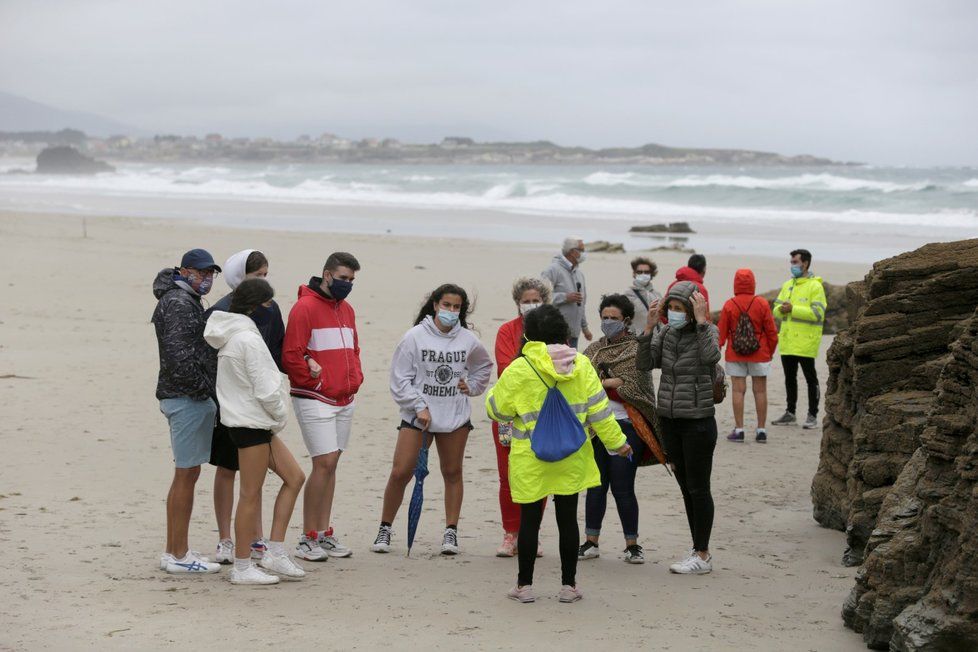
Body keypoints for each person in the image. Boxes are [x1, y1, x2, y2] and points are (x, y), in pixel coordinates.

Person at [486, 305, 631, 603]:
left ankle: (524, 587)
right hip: (571, 455)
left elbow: (497, 409)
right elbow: (600, 411)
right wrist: (617, 443)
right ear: (564, 333)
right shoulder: (581, 364)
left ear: (529, 336)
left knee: (529, 521)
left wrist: (496, 395)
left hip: (531, 458)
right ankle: (569, 586)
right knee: (567, 520)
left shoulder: (520, 368)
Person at [373, 284, 493, 555]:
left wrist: (471, 386)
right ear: (435, 305)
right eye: (446, 305)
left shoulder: (468, 339)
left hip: (454, 416)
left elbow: (484, 365)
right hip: (419, 418)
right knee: (401, 472)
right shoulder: (414, 337)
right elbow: (399, 379)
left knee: (452, 472)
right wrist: (418, 406)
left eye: (456, 307)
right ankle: (385, 527)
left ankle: (451, 532)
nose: (451, 311)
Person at [204, 279, 307, 585]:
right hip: (251, 424)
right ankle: (242, 565)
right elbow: (266, 388)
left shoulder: (234, 335)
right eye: (267, 304)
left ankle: (274, 551)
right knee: (250, 493)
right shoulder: (247, 339)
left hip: (254, 423)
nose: (270, 310)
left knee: (295, 477)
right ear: (254, 306)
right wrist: (279, 416)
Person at [206, 249, 286, 564]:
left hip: (260, 403)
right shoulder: (221, 311)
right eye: (257, 275)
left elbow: (277, 350)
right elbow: (210, 360)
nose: (262, 280)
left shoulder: (271, 307)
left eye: (266, 274)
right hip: (229, 402)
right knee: (227, 470)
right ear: (240, 277)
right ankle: (226, 538)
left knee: (255, 479)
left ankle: (256, 538)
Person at [283, 252, 364, 561]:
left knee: (332, 465)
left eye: (352, 280)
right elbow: (292, 355)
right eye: (343, 278)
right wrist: (316, 383)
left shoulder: (348, 310)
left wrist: (355, 377)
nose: (347, 284)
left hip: (344, 397)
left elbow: (353, 349)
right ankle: (307, 538)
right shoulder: (304, 308)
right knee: (324, 463)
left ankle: (323, 532)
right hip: (314, 397)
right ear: (327, 275)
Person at [637, 281, 720, 575]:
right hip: (670, 420)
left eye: (679, 308)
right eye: (670, 308)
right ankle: (697, 548)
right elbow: (645, 363)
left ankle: (703, 553)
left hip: (697, 421)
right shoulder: (666, 333)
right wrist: (648, 328)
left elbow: (711, 357)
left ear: (692, 308)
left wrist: (701, 322)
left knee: (699, 488)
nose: (673, 313)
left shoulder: (707, 331)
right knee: (686, 488)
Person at [152, 248, 222, 574]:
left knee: (188, 474)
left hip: (184, 396)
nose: (207, 278)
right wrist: (205, 391)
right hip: (185, 398)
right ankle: (178, 555)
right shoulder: (179, 304)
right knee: (185, 475)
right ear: (184, 270)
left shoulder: (185, 300)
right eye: (201, 271)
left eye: (211, 273)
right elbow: (181, 357)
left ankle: (175, 549)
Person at [580, 294, 656, 564]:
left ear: (625, 320)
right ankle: (591, 541)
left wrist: (609, 382)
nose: (608, 322)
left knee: (623, 487)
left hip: (626, 426)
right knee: (596, 486)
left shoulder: (636, 348)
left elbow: (639, 385)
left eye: (613, 318)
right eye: (604, 318)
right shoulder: (593, 350)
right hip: (594, 428)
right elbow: (581, 383)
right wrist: (612, 381)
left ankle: (632, 544)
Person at [492, 277, 551, 557]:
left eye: (535, 300)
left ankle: (532, 534)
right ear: (518, 303)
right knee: (508, 476)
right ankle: (510, 533)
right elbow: (506, 369)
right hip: (509, 414)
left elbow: (557, 368)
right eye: (526, 301)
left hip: (543, 415)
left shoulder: (553, 331)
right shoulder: (507, 331)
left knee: (538, 475)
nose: (530, 305)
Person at [716, 269, 779, 443]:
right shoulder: (762, 303)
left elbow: (721, 333)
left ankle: (739, 429)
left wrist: (717, 350)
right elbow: (772, 332)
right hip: (760, 353)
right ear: (753, 283)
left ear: (735, 283)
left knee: (738, 390)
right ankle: (761, 430)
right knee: (760, 390)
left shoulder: (729, 304)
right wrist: (769, 352)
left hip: (735, 353)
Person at [771, 249, 827, 430]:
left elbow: (818, 314)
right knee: (790, 378)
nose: (792, 265)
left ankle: (812, 415)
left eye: (795, 262)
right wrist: (783, 309)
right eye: (791, 262)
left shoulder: (815, 287)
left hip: (806, 342)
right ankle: (790, 412)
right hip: (787, 341)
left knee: (811, 379)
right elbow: (776, 310)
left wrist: (792, 309)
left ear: (805, 263)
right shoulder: (788, 285)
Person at [541, 237, 592, 348]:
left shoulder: (579, 274)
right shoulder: (552, 270)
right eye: (582, 250)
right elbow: (541, 298)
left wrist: (585, 328)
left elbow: (581, 304)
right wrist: (564, 297)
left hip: (574, 333)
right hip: (555, 332)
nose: (584, 254)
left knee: (572, 364)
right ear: (573, 252)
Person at [664, 254, 710, 319]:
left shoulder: (673, 284)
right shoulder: (700, 289)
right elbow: (704, 315)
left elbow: (664, 310)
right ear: (704, 270)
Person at [625, 257, 662, 335]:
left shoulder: (657, 295)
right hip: (637, 339)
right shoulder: (627, 294)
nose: (643, 274)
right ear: (634, 274)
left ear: (651, 274)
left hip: (656, 339)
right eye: (639, 272)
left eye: (646, 272)